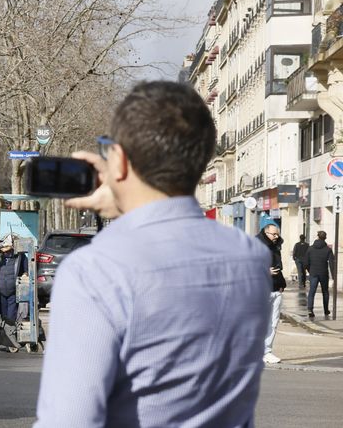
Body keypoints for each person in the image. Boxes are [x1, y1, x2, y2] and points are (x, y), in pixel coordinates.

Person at [34, 81, 269, 428]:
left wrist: (127, 202)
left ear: (120, 161)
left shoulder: (95, 270)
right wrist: (129, 203)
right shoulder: (251, 257)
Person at [256, 219, 285, 364]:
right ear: (266, 232)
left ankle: (266, 351)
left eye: (277, 234)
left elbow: (279, 266)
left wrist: (281, 284)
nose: (276, 237)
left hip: (276, 288)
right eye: (274, 234)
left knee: (273, 323)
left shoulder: (276, 245)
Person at [0, 235, 27, 325]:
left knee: (11, 318)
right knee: (3, 317)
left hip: (13, 292)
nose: (5, 248)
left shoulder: (20, 257)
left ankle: (11, 334)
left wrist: (25, 275)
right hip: (1, 293)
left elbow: (27, 270)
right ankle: (5, 334)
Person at [306, 230, 335, 319]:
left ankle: (310, 309)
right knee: (325, 292)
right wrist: (333, 276)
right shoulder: (328, 250)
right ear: (325, 238)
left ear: (317, 237)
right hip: (323, 272)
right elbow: (331, 263)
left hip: (313, 272)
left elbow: (306, 262)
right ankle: (326, 310)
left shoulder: (310, 248)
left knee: (312, 291)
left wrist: (309, 270)